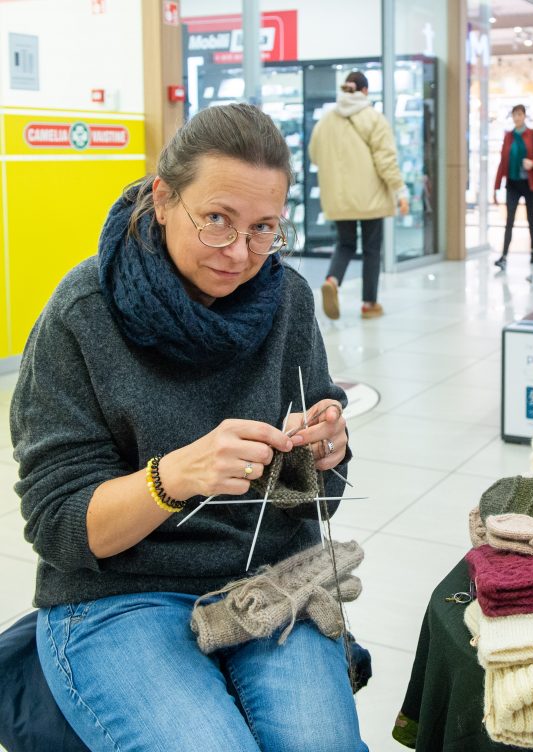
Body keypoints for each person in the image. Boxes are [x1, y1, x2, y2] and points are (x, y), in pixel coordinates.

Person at [11, 103, 367, 752]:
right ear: (164, 198)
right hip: (118, 595)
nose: (240, 253)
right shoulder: (84, 312)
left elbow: (318, 493)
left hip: (270, 577)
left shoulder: (286, 299)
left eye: (264, 229)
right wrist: (173, 477)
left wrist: (326, 449)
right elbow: (59, 526)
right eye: (217, 221)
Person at [310, 71, 409, 320]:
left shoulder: (325, 120)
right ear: (365, 91)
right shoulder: (374, 119)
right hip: (370, 198)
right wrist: (400, 190)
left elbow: (313, 155)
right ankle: (369, 304)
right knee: (371, 250)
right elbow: (386, 160)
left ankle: (332, 279)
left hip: (339, 198)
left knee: (345, 244)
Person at [492, 103, 533, 269]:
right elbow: (503, 162)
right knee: (509, 219)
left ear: (524, 116)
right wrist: (496, 187)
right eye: (514, 115)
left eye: (520, 114)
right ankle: (503, 256)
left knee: (531, 218)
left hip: (530, 184)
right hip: (512, 183)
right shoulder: (508, 136)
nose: (517, 118)